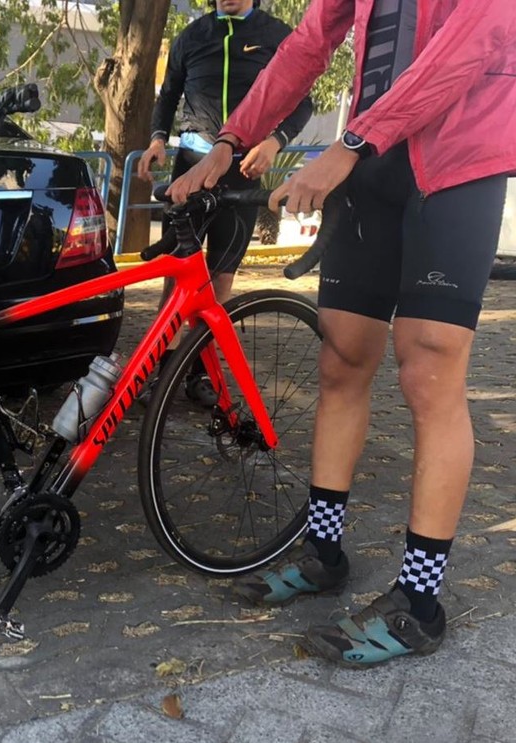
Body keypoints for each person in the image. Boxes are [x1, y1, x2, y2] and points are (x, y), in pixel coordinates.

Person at [168, 0, 516, 666]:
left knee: (429, 370)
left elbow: (472, 42)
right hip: (371, 167)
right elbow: (306, 44)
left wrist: (351, 143)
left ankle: (419, 602)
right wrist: (231, 139)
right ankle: (323, 551)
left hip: (457, 160)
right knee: (341, 358)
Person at [137, 0, 311, 404]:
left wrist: (275, 141)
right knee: (176, 277)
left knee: (220, 283)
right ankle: (163, 371)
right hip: (191, 166)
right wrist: (157, 140)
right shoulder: (192, 36)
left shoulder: (276, 35)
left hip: (242, 171)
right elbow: (168, 94)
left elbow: (303, 101)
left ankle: (201, 372)